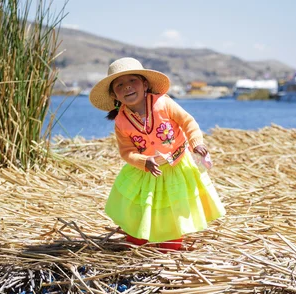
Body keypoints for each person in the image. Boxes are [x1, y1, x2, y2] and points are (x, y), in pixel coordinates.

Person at [89, 58, 225, 251]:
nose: (127, 87)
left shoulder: (163, 103)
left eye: (132, 81)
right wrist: (144, 161)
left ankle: (170, 244)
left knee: (171, 208)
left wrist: (196, 143)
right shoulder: (121, 121)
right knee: (141, 207)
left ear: (145, 84)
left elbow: (188, 122)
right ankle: (138, 239)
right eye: (120, 85)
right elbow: (127, 151)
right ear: (114, 94)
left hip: (175, 166)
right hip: (146, 170)